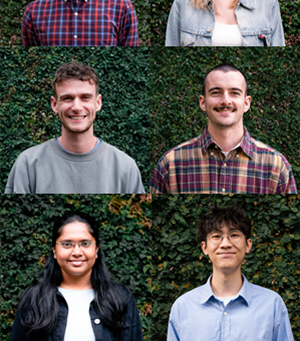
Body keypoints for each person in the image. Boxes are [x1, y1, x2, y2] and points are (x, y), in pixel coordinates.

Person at [150, 63, 297, 194]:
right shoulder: (171, 165)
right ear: (202, 102)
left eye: (234, 93)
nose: (226, 101)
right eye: (216, 92)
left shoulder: (276, 167)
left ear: (246, 103)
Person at [5, 62, 145, 194]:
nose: (77, 107)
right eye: (67, 98)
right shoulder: (28, 164)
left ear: (98, 103)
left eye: (85, 97)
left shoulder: (125, 167)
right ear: (54, 104)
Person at [167, 206, 294, 341]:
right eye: (216, 236)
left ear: (248, 245)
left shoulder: (272, 305)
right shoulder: (183, 307)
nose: (225, 244)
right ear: (204, 247)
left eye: (234, 235)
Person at [11, 211, 143, 341]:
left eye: (85, 243)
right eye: (67, 244)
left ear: (96, 249)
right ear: (54, 251)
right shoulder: (33, 300)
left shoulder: (121, 299)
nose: (77, 252)